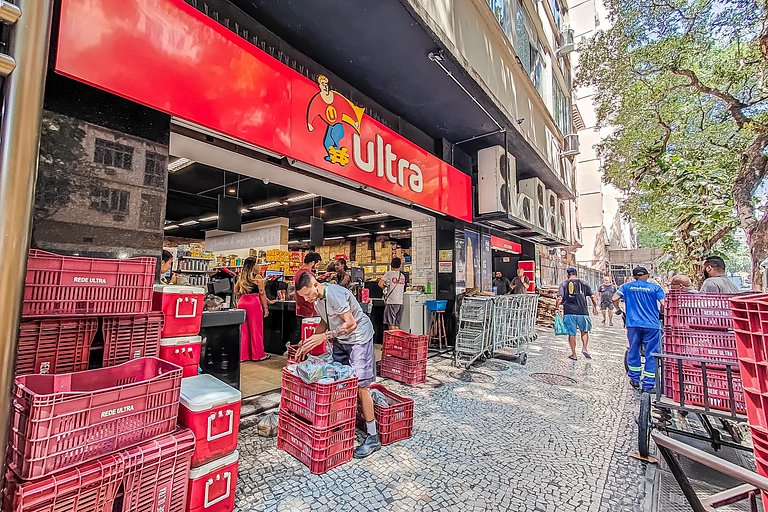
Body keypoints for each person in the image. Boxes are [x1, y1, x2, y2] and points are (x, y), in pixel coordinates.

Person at [295, 273, 380, 458]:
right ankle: (341, 425)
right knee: (339, 382)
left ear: (315, 284)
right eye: (304, 297)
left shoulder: (334, 293)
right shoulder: (318, 301)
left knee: (361, 386)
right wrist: (308, 342)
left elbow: (350, 323)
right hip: (340, 340)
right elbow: (325, 322)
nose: (308, 299)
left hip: (358, 338)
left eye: (308, 294)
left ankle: (373, 436)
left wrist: (323, 337)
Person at [613, 266, 665, 391]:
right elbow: (664, 304)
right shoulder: (655, 288)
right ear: (646, 275)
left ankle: (635, 379)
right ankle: (648, 384)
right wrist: (660, 314)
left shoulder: (626, 287)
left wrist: (619, 310)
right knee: (651, 353)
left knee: (633, 350)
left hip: (633, 324)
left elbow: (615, 298)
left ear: (634, 276)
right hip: (652, 325)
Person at [556, 267, 598, 360]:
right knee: (584, 331)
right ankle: (584, 348)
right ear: (576, 273)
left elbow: (559, 298)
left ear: (567, 274)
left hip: (569, 312)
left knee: (572, 333)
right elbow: (593, 296)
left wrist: (557, 307)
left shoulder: (564, 284)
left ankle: (574, 354)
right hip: (583, 312)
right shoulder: (584, 283)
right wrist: (595, 307)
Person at [235, 257, 271, 362]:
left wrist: (245, 293)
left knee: (244, 330)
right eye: (257, 264)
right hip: (253, 303)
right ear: (253, 266)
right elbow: (262, 293)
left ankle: (243, 355)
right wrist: (266, 308)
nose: (259, 267)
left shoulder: (241, 277)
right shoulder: (258, 278)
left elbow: (236, 291)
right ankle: (258, 355)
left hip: (242, 302)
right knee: (256, 330)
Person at [293, 252, 323, 342]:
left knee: (300, 334)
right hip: (309, 311)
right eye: (317, 264)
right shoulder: (309, 275)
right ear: (313, 262)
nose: (317, 266)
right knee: (308, 337)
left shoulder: (298, 273)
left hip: (300, 309)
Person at [378, 257, 407, 330]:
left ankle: (393, 340)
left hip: (391, 302)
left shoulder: (389, 274)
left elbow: (380, 284)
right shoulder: (402, 276)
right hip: (400, 302)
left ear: (391, 265)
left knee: (391, 324)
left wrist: (385, 287)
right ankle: (397, 340)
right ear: (400, 265)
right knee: (397, 324)